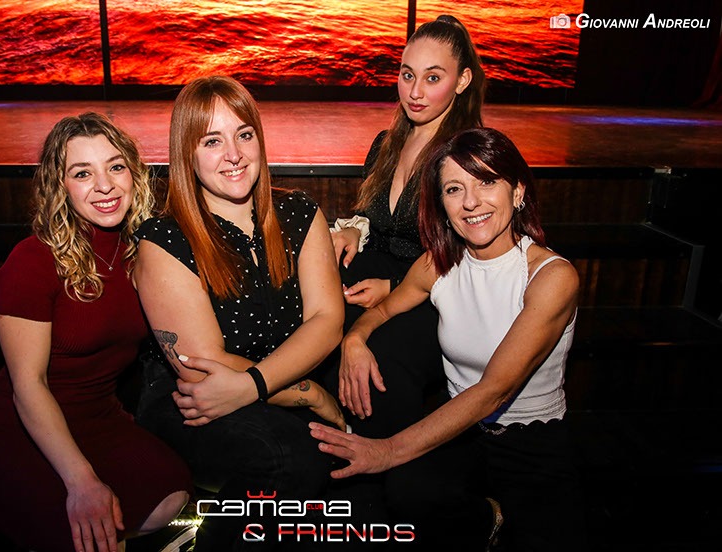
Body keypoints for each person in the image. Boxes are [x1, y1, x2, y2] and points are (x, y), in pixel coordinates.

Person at [311, 128, 587, 551]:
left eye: (486, 181)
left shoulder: (551, 277)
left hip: (532, 441)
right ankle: (484, 519)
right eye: (454, 189)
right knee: (405, 494)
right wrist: (354, 341)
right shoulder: (438, 264)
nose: (471, 202)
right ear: (441, 203)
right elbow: (381, 311)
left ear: (517, 192)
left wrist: (387, 450)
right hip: (464, 432)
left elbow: (494, 390)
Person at [133, 76, 345, 551]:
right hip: (192, 403)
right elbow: (203, 365)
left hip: (261, 390)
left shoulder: (298, 214)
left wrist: (261, 387)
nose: (233, 154)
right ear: (187, 154)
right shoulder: (164, 239)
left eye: (244, 134)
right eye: (212, 141)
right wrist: (307, 394)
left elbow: (326, 321)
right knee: (289, 458)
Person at [0, 113, 192, 552]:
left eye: (115, 166)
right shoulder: (32, 261)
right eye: (83, 173)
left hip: (98, 419)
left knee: (172, 493)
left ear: (134, 173)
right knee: (96, 535)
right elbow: (28, 386)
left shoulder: (142, 253)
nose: (105, 185)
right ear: (60, 186)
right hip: (23, 428)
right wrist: (81, 481)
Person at [330, 15, 486, 439]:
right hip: (376, 274)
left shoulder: (466, 156)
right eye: (407, 75)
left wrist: (395, 286)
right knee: (314, 316)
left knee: (381, 359)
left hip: (436, 293)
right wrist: (354, 229)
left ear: (462, 80)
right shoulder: (386, 143)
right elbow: (377, 216)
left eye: (433, 78)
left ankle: (385, 460)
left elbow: (472, 252)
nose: (415, 92)